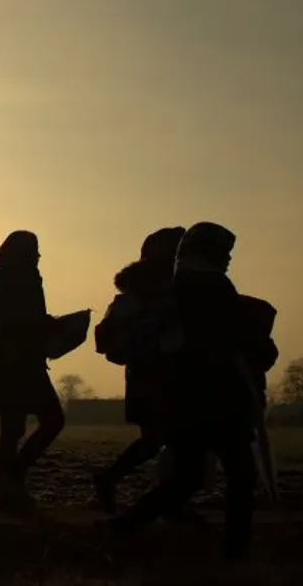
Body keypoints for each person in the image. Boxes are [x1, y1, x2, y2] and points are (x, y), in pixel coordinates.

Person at [103, 223, 275, 560]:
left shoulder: (171, 292)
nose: (227, 259)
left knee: (187, 478)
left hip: (179, 397)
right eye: (223, 253)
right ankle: (236, 551)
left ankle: (122, 527)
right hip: (217, 397)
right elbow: (239, 340)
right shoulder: (212, 288)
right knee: (240, 475)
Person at [91, 227, 186, 512]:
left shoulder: (137, 294)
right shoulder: (159, 293)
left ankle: (113, 479)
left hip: (145, 372)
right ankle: (167, 503)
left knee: (159, 438)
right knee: (173, 439)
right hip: (160, 374)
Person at [0, 230, 65, 513]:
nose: (37, 256)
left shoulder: (6, 282)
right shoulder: (20, 283)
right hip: (19, 367)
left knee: (12, 430)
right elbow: (15, 324)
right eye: (33, 250)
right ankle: (13, 480)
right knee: (47, 421)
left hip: (13, 367)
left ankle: (10, 485)